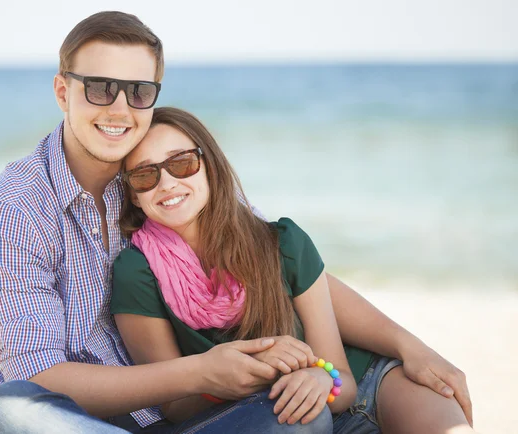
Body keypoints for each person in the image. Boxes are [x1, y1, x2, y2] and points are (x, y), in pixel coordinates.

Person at [0, 10, 473, 434]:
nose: (119, 108)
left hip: (178, 417)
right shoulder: (14, 211)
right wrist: (200, 372)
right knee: (13, 410)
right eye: (99, 87)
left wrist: (410, 345)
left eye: (138, 91)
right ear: (62, 91)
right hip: (81, 421)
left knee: (301, 417)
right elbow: (39, 378)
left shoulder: (156, 178)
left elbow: (279, 257)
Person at [111, 107, 476, 434]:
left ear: (210, 165)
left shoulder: (283, 242)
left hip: (368, 386)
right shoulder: (137, 272)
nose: (167, 183)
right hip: (279, 419)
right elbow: (174, 406)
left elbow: (342, 380)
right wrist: (251, 371)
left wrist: (322, 377)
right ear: (133, 196)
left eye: (182, 163)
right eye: (145, 175)